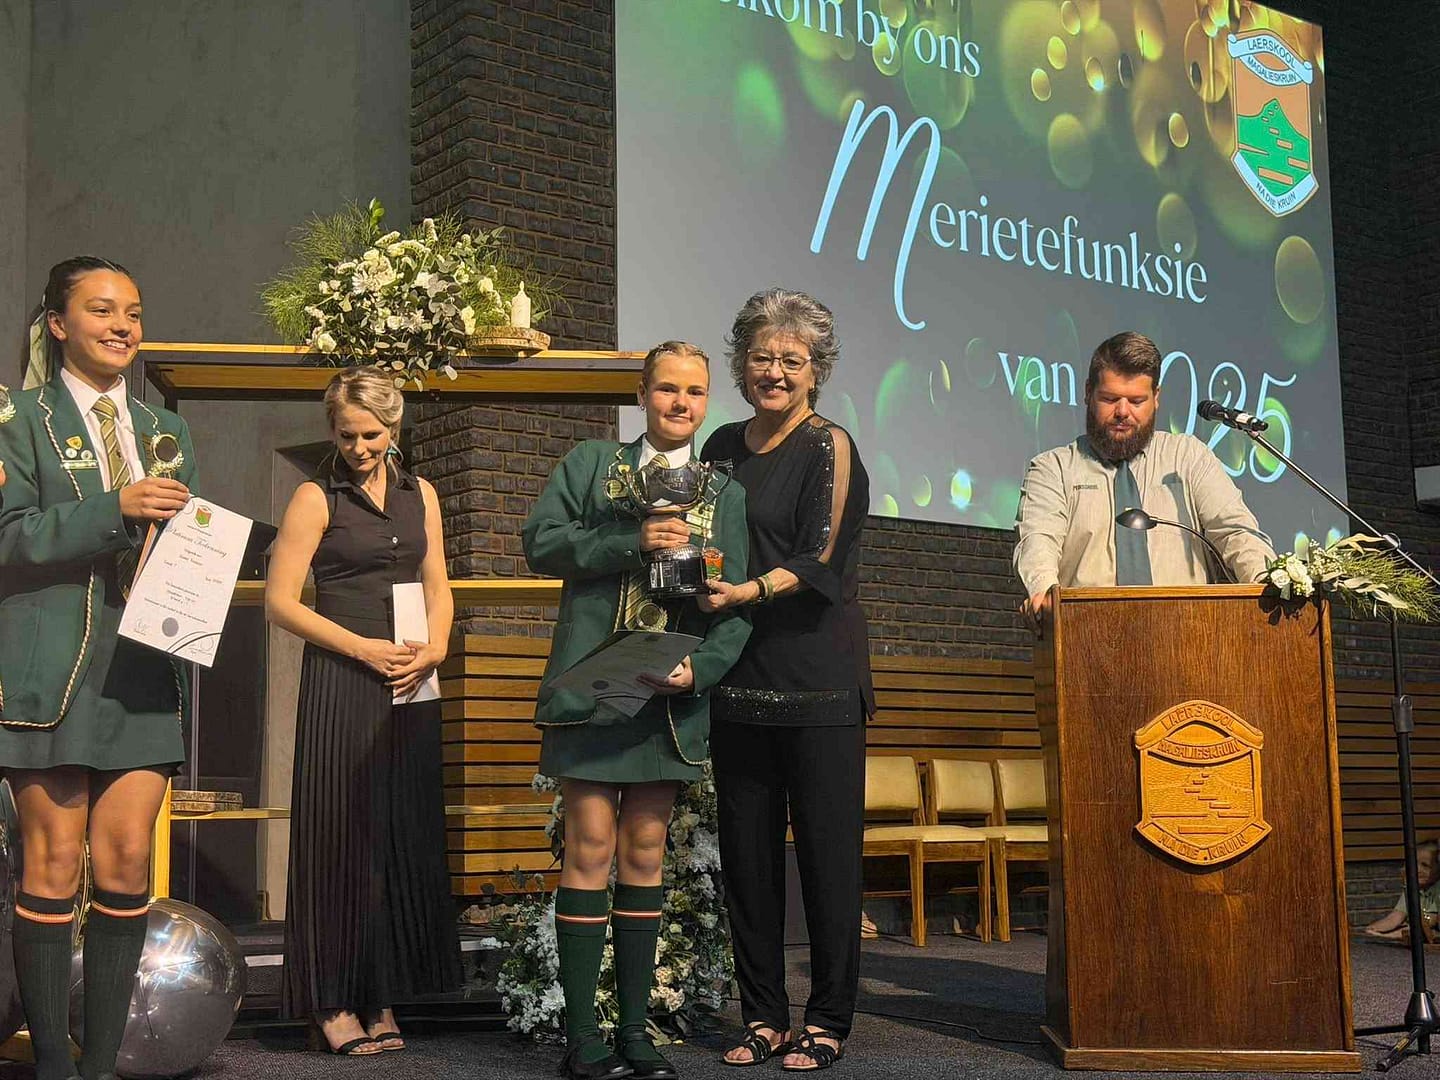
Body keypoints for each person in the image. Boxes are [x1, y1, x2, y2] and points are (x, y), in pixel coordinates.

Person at [522, 341, 752, 1080]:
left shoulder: (725, 495)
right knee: (590, 847)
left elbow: (737, 609)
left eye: (695, 392)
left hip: (666, 698)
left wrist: (700, 670)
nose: (681, 403)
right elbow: (540, 544)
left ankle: (634, 1033)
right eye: (667, 389)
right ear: (642, 394)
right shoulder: (591, 465)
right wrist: (632, 539)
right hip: (593, 689)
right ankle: (582, 1040)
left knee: (646, 853)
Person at [0, 256, 197, 1080]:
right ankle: (54, 1066)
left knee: (125, 867)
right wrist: (111, 509)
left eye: (134, 313)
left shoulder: (166, 429)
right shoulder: (18, 417)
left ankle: (102, 1067)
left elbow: (186, 545)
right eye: (103, 310)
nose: (123, 326)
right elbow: (8, 535)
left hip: (142, 669)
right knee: (50, 865)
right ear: (58, 324)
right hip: (51, 667)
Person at [698, 289, 873, 1072]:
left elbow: (820, 556)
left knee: (828, 862)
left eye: (791, 360)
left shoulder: (829, 445)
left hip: (819, 681)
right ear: (741, 364)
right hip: (738, 677)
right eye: (761, 357)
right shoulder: (719, 447)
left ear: (815, 371)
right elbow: (700, 539)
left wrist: (744, 591)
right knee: (748, 864)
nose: (774, 371)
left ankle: (828, 1018)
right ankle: (763, 1016)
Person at [265, 366, 460, 1055]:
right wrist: (360, 648)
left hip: (410, 677)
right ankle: (332, 1001)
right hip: (342, 678)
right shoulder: (315, 497)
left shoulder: (421, 494)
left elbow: (438, 586)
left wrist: (437, 647)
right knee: (338, 837)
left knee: (395, 836)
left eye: (371, 435)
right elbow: (279, 602)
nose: (359, 447)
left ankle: (380, 993)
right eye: (347, 435)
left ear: (394, 426)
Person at [1014, 330, 1275, 631]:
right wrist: (1043, 592)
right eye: (1110, 399)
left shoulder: (1188, 457)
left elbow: (1234, 531)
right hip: (1088, 638)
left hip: (1190, 637)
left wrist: (1268, 583)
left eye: (1136, 400)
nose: (1122, 412)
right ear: (1087, 393)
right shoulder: (1053, 469)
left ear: (1156, 398)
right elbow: (1038, 540)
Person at [1364, 839, 1439, 944]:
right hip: (1415, 927)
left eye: (1425, 865)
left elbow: (1432, 921)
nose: (1417, 869)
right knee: (1408, 929)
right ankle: (1384, 935)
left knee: (1414, 930)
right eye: (1413, 864)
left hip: (1429, 930)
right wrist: (1374, 928)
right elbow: (1396, 916)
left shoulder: (1437, 890)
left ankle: (1389, 936)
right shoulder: (1411, 889)